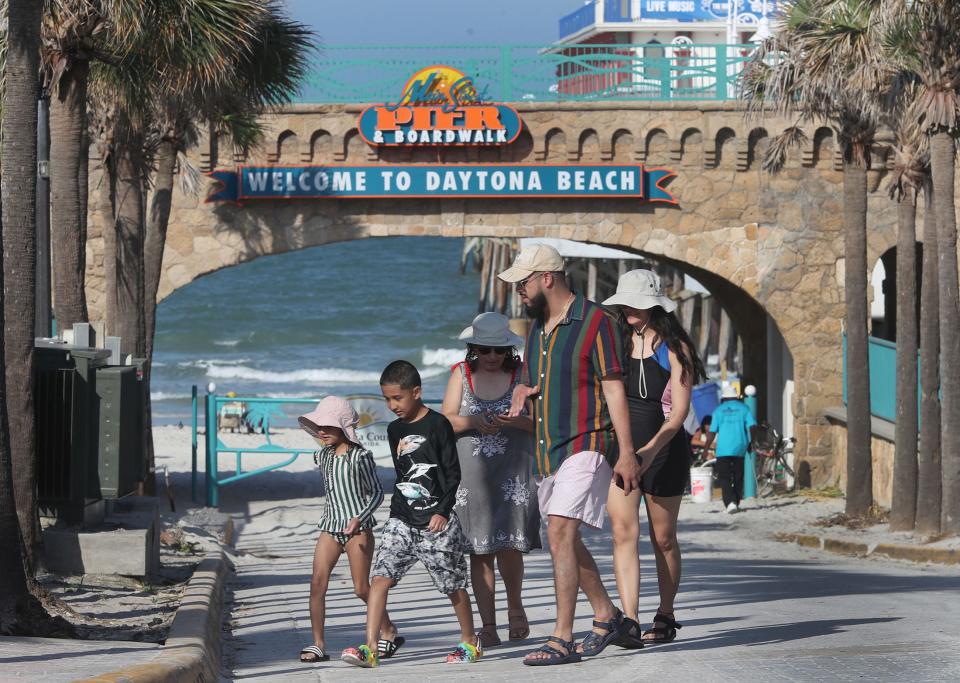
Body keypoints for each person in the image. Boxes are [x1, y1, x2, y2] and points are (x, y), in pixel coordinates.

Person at [498, 243, 640, 666]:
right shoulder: (538, 328)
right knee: (565, 540)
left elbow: (614, 387)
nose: (517, 291)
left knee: (560, 531)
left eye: (522, 282)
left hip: (589, 441)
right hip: (548, 450)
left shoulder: (597, 321)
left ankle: (561, 637)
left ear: (547, 278)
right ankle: (607, 615)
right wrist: (524, 389)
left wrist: (627, 452)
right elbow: (538, 380)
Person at [341, 360, 481, 668]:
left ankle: (470, 640)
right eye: (387, 399)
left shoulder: (438, 424)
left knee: (453, 586)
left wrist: (443, 512)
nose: (392, 406)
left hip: (437, 522)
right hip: (401, 518)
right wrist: (396, 514)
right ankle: (371, 648)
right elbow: (404, 474)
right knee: (379, 578)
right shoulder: (394, 430)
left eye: (397, 398)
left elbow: (452, 473)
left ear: (416, 392)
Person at [602, 269, 705, 646]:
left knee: (663, 538)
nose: (630, 308)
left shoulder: (675, 349)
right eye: (626, 302)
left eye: (638, 303)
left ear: (655, 306)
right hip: (622, 451)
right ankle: (629, 620)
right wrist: (627, 451)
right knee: (623, 533)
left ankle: (665, 613)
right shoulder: (614, 343)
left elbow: (678, 415)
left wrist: (648, 452)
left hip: (663, 451)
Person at [441, 312, 541, 648]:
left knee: (511, 545)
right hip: (471, 476)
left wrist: (513, 421)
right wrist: (473, 422)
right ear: (474, 349)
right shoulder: (461, 374)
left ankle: (515, 607)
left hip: (514, 471)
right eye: (485, 350)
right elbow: (446, 422)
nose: (492, 357)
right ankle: (487, 624)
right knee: (479, 550)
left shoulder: (523, 375)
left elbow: (541, 424)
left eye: (498, 351)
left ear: (508, 350)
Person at [296, 396, 399, 664]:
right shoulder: (322, 455)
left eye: (327, 426)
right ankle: (318, 644)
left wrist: (359, 518)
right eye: (318, 426)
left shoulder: (360, 456)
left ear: (343, 427)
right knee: (317, 585)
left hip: (358, 530)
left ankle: (389, 630)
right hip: (330, 527)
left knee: (361, 589)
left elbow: (376, 493)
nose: (321, 431)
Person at [702, 385, 758, 513]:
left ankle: (729, 503)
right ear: (736, 397)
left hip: (723, 449)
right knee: (738, 476)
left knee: (724, 477)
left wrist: (705, 449)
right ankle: (736, 502)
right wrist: (752, 443)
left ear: (724, 398)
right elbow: (753, 426)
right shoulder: (744, 408)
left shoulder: (718, 410)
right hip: (740, 447)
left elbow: (711, 432)